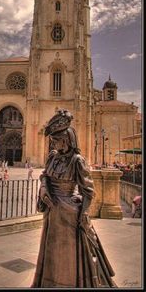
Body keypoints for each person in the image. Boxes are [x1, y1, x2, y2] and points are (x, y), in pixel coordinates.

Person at [32, 109, 116, 288]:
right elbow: (45, 176)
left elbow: (88, 191)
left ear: (68, 140)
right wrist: (44, 188)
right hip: (52, 211)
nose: (54, 144)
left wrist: (82, 215)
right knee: (52, 248)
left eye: (57, 140)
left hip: (69, 213)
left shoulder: (77, 160)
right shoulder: (53, 157)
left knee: (67, 251)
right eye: (53, 140)